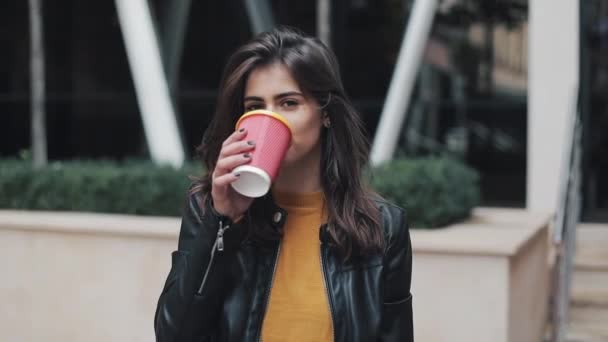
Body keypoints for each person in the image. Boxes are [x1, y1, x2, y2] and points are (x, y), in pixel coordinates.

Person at [154, 26, 413, 342]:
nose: (270, 117)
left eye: (289, 103)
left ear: (326, 113)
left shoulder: (384, 226)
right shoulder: (209, 208)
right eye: (255, 107)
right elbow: (174, 335)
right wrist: (222, 221)